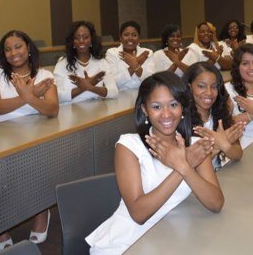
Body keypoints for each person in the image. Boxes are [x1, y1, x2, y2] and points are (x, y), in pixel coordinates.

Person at [86, 72, 223, 253]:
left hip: (172, 238)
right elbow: (138, 213)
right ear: (144, 110)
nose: (166, 114)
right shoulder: (129, 146)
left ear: (182, 107)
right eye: (157, 106)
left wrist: (184, 165)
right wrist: (183, 166)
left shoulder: (195, 147)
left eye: (173, 105)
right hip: (128, 242)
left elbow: (216, 203)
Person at [0, 30, 58, 250]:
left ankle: (41, 212)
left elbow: (52, 109)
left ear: (28, 47)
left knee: (38, 170)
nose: (13, 53)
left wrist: (27, 95)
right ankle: (1, 226)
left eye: (18, 47)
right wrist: (31, 95)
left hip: (32, 135)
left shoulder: (43, 74)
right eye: (7, 49)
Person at [183, 62, 244, 170]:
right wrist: (216, 147)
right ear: (189, 87)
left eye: (214, 87)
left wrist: (225, 145)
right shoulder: (180, 119)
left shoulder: (220, 114)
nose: (209, 93)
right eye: (201, 86)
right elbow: (188, 169)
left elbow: (238, 154)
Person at [53, 21, 118, 103]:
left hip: (97, 110)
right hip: (70, 111)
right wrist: (85, 86)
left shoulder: (101, 62)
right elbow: (57, 96)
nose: (81, 41)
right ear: (72, 41)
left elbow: (114, 92)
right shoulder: (62, 64)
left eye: (85, 37)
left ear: (92, 40)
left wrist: (91, 87)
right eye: (77, 37)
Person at [105, 21, 152, 91]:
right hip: (120, 97)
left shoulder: (147, 52)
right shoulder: (112, 53)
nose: (130, 38)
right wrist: (137, 62)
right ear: (120, 37)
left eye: (134, 35)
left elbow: (151, 81)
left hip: (143, 95)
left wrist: (136, 66)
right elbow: (112, 83)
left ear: (139, 38)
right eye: (126, 35)